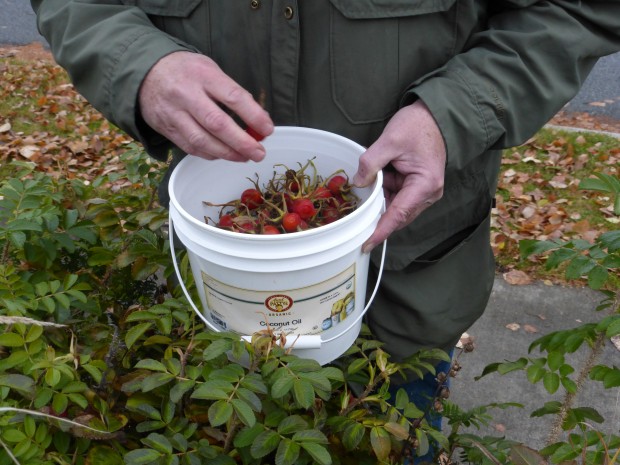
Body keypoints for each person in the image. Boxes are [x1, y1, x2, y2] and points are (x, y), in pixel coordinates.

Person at [30, 1, 620, 462]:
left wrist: (453, 113)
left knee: (394, 438)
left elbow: (574, 11)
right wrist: (138, 64)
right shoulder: (261, 213)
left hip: (407, 285)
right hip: (226, 286)